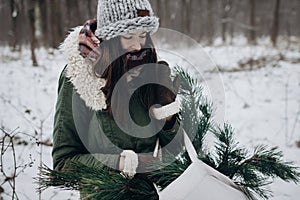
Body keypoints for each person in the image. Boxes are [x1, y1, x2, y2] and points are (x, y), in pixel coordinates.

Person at [52, 0, 183, 198]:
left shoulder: (150, 69)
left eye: (143, 35)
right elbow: (63, 163)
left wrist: (168, 118)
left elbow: (174, 151)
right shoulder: (80, 78)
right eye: (128, 36)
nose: (138, 45)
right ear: (110, 38)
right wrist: (122, 163)